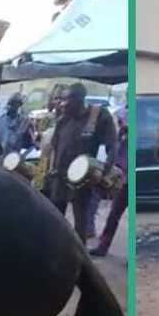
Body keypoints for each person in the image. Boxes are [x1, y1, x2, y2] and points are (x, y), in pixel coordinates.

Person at [47, 83, 118, 243]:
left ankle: (80, 258)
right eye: (62, 99)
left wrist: (104, 173)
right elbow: (54, 147)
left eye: (67, 99)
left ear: (79, 99)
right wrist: (51, 170)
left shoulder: (98, 116)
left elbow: (112, 146)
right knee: (55, 219)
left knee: (81, 221)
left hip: (82, 179)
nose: (63, 103)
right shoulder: (63, 120)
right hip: (59, 177)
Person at [89, 107, 129, 257]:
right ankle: (103, 246)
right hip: (124, 176)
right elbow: (113, 147)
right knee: (114, 214)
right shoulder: (121, 119)